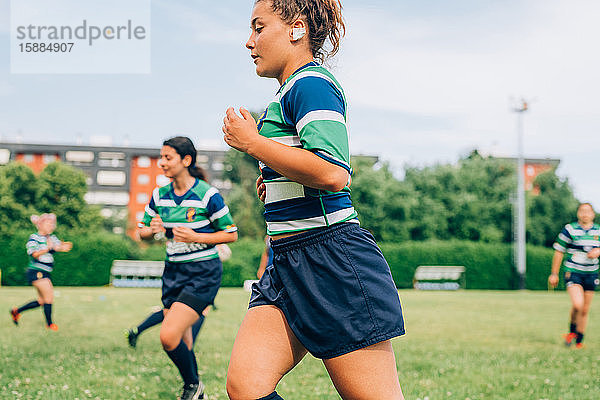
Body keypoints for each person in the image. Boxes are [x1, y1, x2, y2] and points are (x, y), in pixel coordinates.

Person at [222, 1, 405, 399]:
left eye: (258, 27)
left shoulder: (311, 84)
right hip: (287, 260)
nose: (249, 42)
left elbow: (332, 172)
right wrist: (275, 179)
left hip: (330, 259)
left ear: (296, 29)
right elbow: (305, 167)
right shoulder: (286, 93)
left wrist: (254, 143)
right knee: (246, 386)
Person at [137, 136, 238, 400]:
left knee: (168, 336)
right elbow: (141, 233)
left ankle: (193, 385)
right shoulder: (159, 195)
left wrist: (197, 237)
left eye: (167, 158)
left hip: (203, 273)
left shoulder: (207, 195)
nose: (161, 163)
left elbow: (231, 233)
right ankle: (196, 393)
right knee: (183, 340)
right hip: (173, 273)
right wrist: (153, 231)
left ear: (186, 160)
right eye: (161, 157)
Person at [125, 244, 232, 349]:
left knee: (173, 310)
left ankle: (137, 331)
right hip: (190, 268)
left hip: (185, 266)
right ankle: (188, 348)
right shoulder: (200, 245)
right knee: (190, 310)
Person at [549, 202, 600, 349]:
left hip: (591, 273)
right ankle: (572, 332)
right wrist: (554, 273)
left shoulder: (598, 230)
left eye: (588, 211)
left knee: (585, 310)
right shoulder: (570, 229)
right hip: (573, 272)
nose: (585, 214)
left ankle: (579, 341)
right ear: (578, 213)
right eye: (582, 211)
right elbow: (559, 250)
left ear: (592, 214)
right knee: (578, 304)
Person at [10, 213, 72, 331]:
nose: (51, 226)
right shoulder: (34, 237)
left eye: (52, 224)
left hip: (46, 272)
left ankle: (16, 311)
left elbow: (58, 246)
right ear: (40, 224)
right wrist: (47, 248)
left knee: (42, 301)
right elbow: (34, 254)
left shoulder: (52, 237)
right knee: (49, 297)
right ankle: (50, 325)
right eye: (48, 223)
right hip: (37, 271)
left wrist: (63, 247)